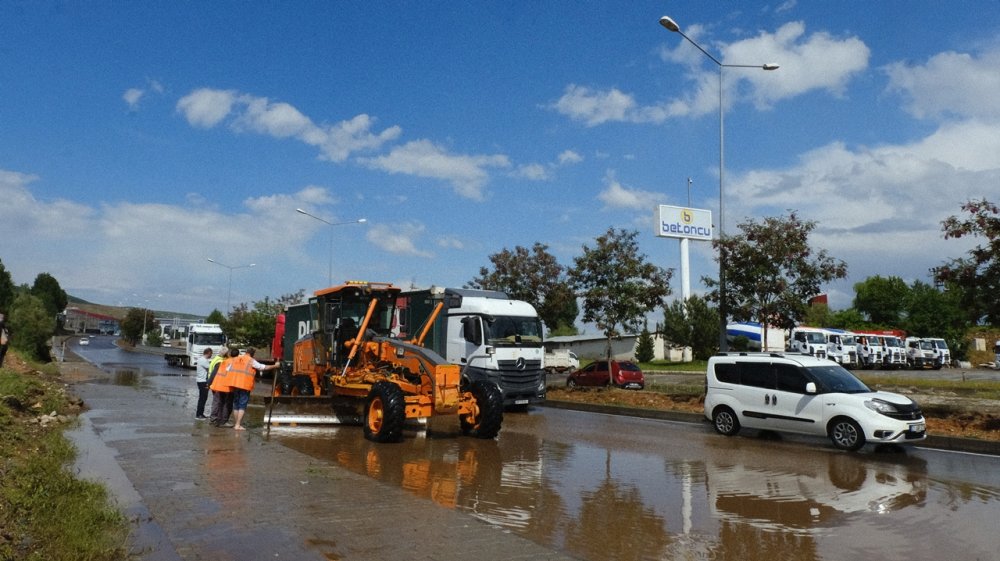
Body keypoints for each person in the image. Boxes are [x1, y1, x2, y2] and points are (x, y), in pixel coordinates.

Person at [226, 346, 280, 431]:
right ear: (253, 354)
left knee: (236, 404)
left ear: (246, 352)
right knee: (242, 405)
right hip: (244, 385)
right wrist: (275, 366)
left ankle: (236, 423)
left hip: (235, 384)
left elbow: (228, 369)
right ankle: (238, 425)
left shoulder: (236, 359)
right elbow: (263, 367)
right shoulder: (251, 360)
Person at [209, 347, 238, 427]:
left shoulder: (223, 361)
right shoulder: (233, 363)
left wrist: (209, 383)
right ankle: (223, 421)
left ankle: (214, 420)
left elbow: (214, 373)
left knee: (217, 402)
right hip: (226, 386)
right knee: (226, 404)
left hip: (217, 385)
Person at [194, 347, 213, 420]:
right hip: (203, 381)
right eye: (211, 354)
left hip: (200, 381)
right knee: (203, 398)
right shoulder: (204, 360)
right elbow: (210, 368)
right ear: (208, 353)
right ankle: (199, 415)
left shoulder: (201, 359)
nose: (211, 355)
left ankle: (201, 413)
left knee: (203, 398)